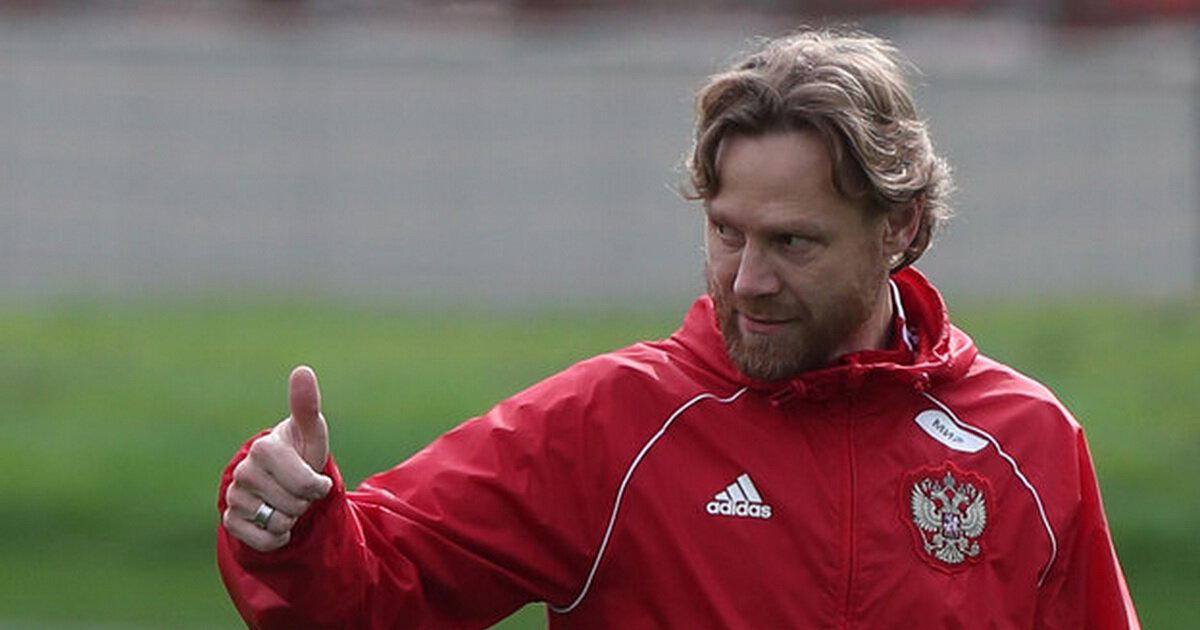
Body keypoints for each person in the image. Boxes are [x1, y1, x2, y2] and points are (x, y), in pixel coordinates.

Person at [217, 28, 1140, 629]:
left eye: (792, 242)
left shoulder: (1028, 444)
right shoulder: (611, 426)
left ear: (898, 227)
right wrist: (290, 525)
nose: (748, 280)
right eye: (726, 232)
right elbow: (372, 591)